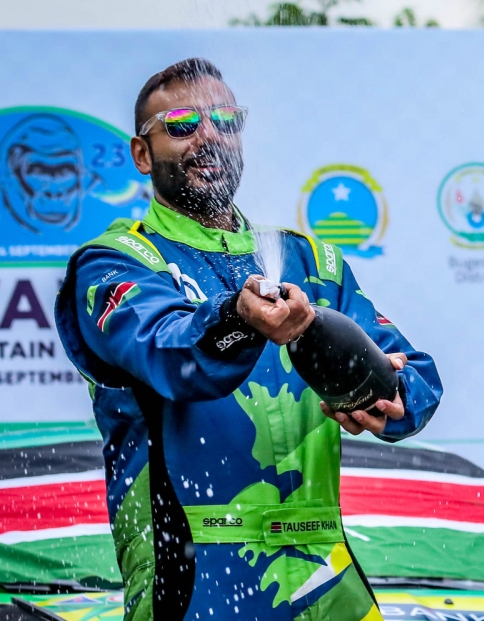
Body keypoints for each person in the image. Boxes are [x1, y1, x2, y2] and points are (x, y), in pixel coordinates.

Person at [54, 58, 443, 621]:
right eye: (183, 124)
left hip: (329, 575)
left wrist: (392, 396)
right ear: (142, 154)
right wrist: (237, 317)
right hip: (196, 577)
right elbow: (172, 356)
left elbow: (415, 373)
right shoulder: (115, 263)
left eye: (226, 121)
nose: (208, 136)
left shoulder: (312, 260)